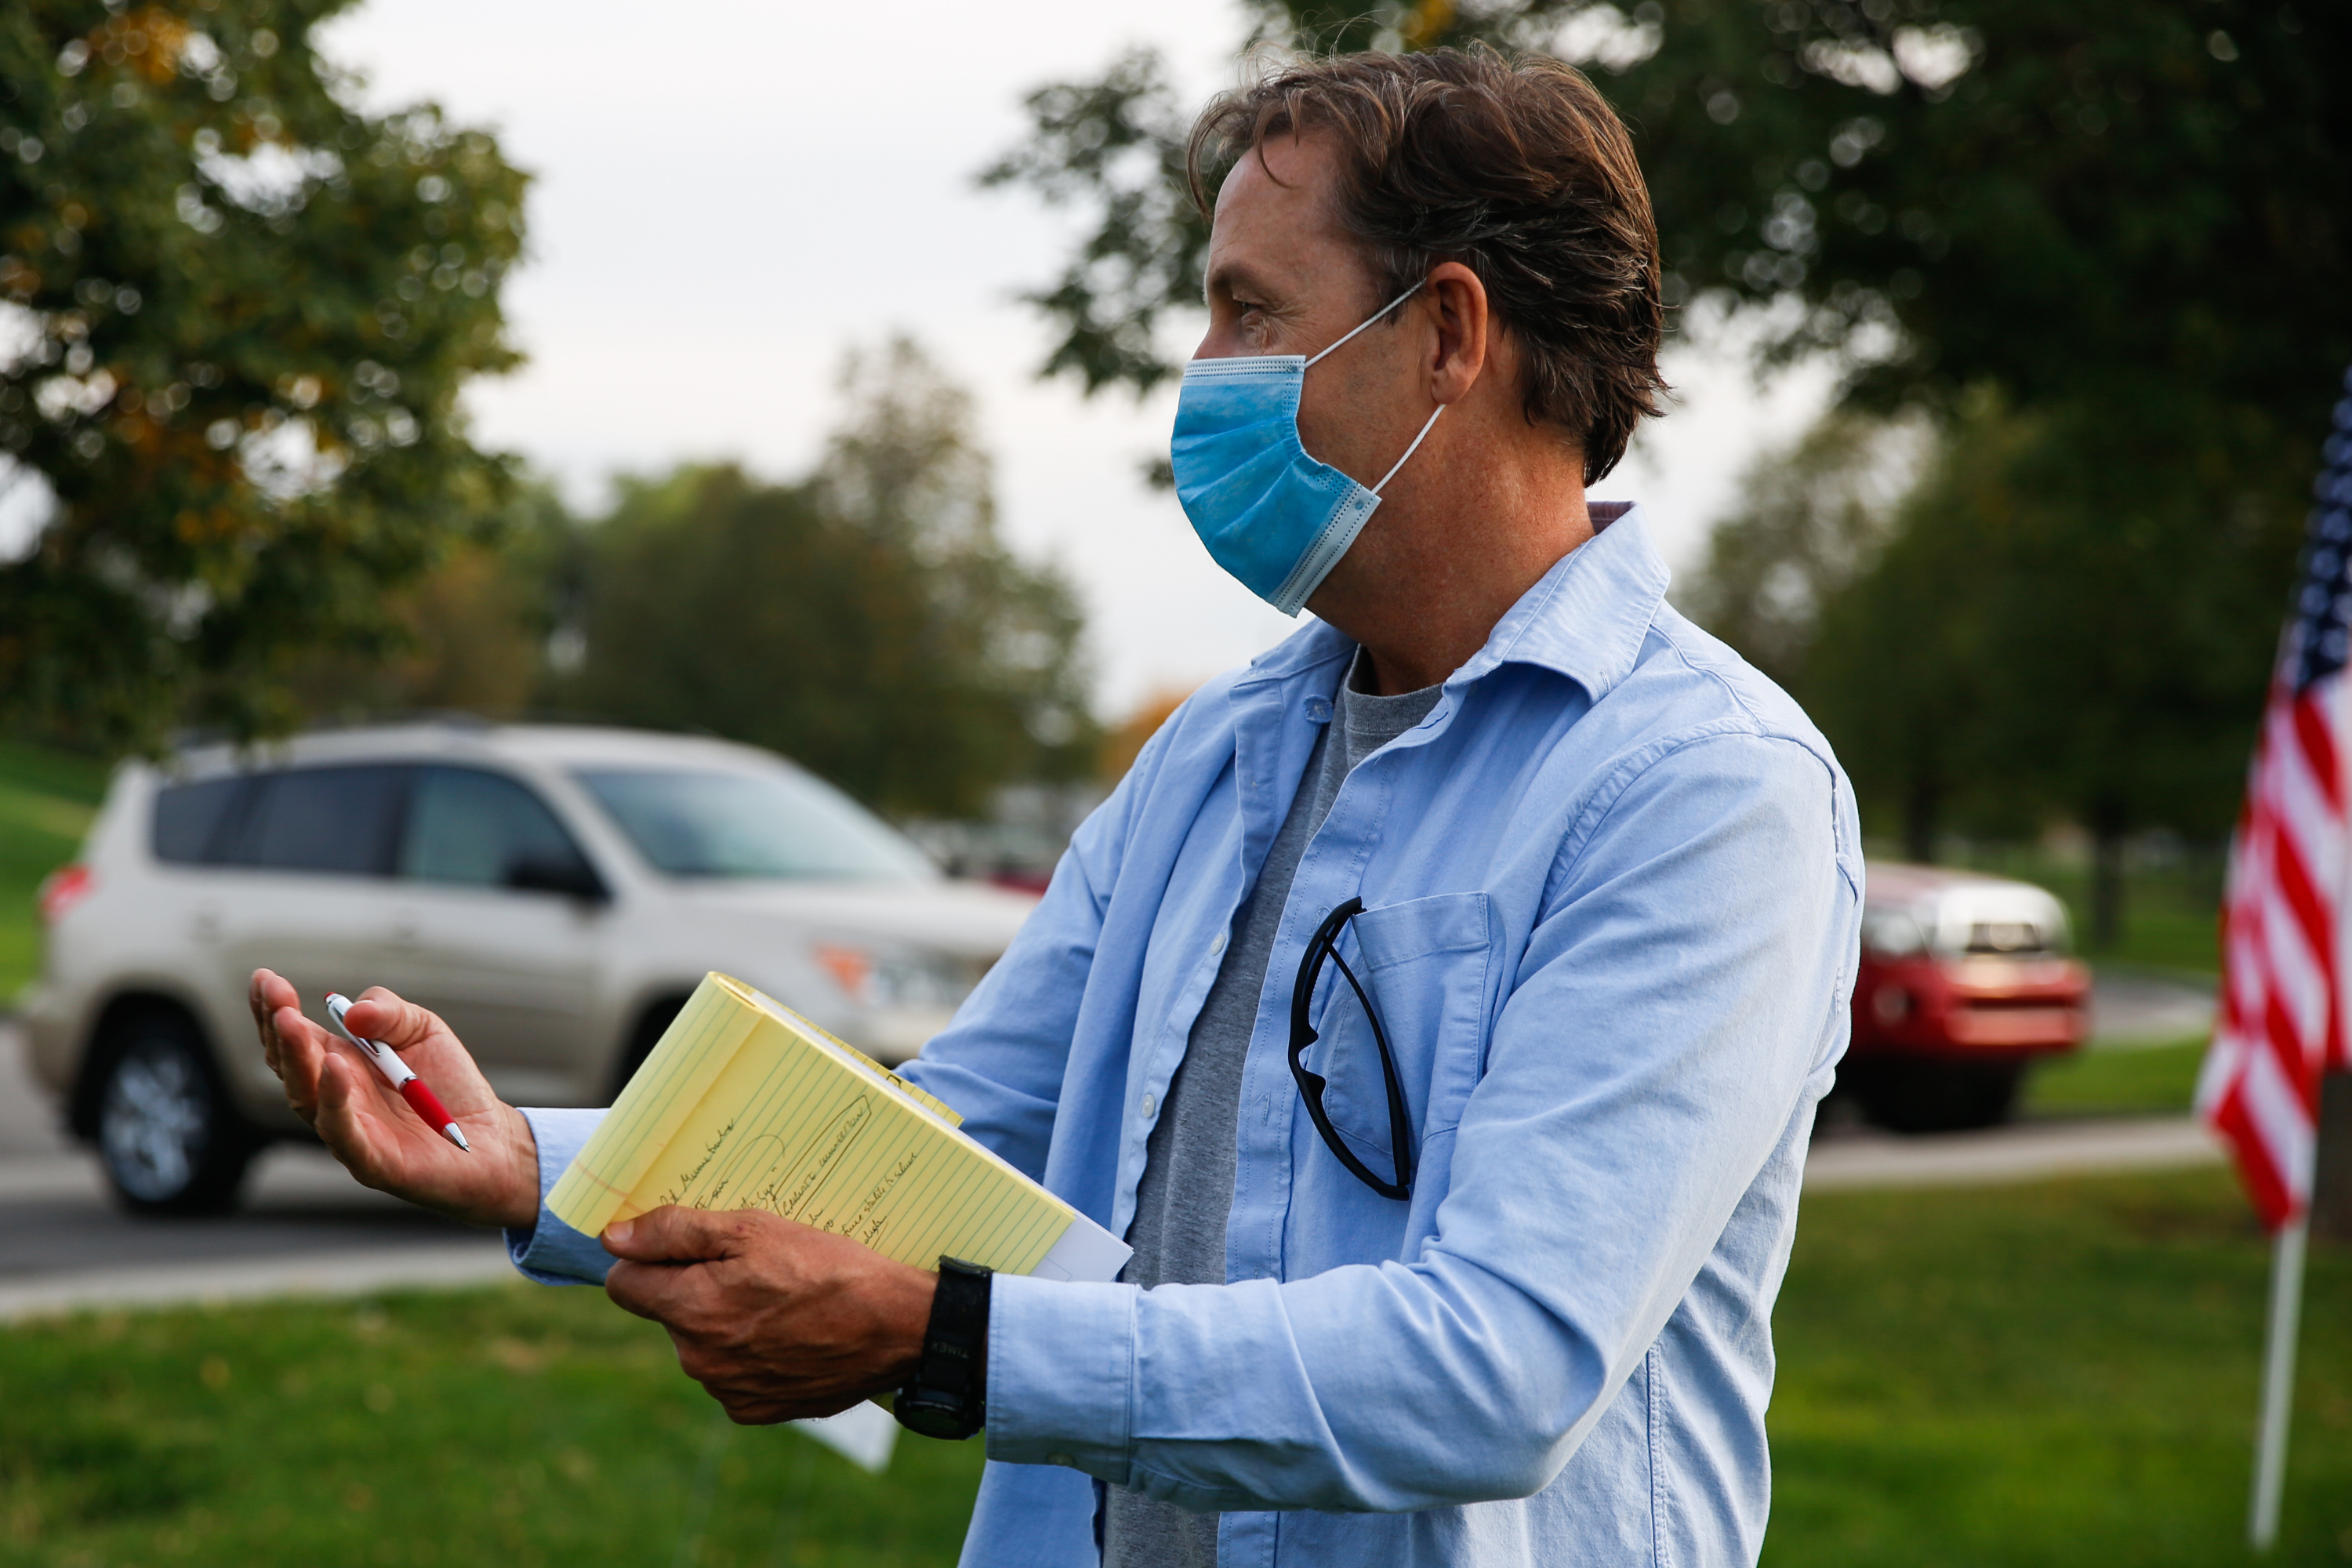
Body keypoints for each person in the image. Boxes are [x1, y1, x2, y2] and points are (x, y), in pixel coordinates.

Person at [252, 46, 1859, 1568]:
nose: (1201, 374)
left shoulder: (1703, 791)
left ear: (1448, 330)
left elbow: (1494, 1367)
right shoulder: (1219, 750)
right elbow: (945, 1140)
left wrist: (938, 1339)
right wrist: (531, 1164)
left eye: (1248, 311)